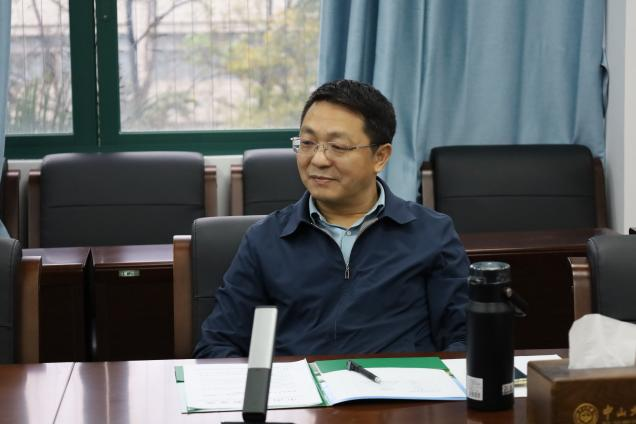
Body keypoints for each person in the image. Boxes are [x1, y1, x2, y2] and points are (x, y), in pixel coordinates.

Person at [195, 79, 469, 358]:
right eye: (308, 143)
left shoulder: (431, 233)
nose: (318, 160)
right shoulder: (265, 239)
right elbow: (216, 345)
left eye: (338, 146)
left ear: (380, 156)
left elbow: (464, 338)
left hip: (402, 384)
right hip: (299, 385)